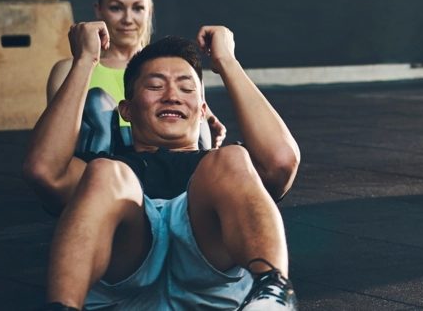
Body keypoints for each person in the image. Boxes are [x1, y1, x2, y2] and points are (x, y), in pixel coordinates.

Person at [26, 24, 299, 310]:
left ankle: (273, 296)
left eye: (186, 88)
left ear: (203, 110)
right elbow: (44, 172)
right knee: (105, 172)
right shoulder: (109, 173)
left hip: (213, 274)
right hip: (124, 274)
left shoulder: (223, 171)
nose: (171, 95)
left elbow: (281, 162)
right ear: (127, 110)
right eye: (155, 86)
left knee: (231, 158)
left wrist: (227, 62)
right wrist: (85, 61)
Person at [46, 0, 224, 153]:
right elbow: (55, 141)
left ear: (149, 12)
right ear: (99, 10)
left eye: (138, 8)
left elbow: (201, 119)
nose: (128, 19)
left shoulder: (178, 69)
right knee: (96, 103)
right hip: (104, 174)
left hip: (176, 167)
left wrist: (210, 123)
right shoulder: (70, 69)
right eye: (116, 8)